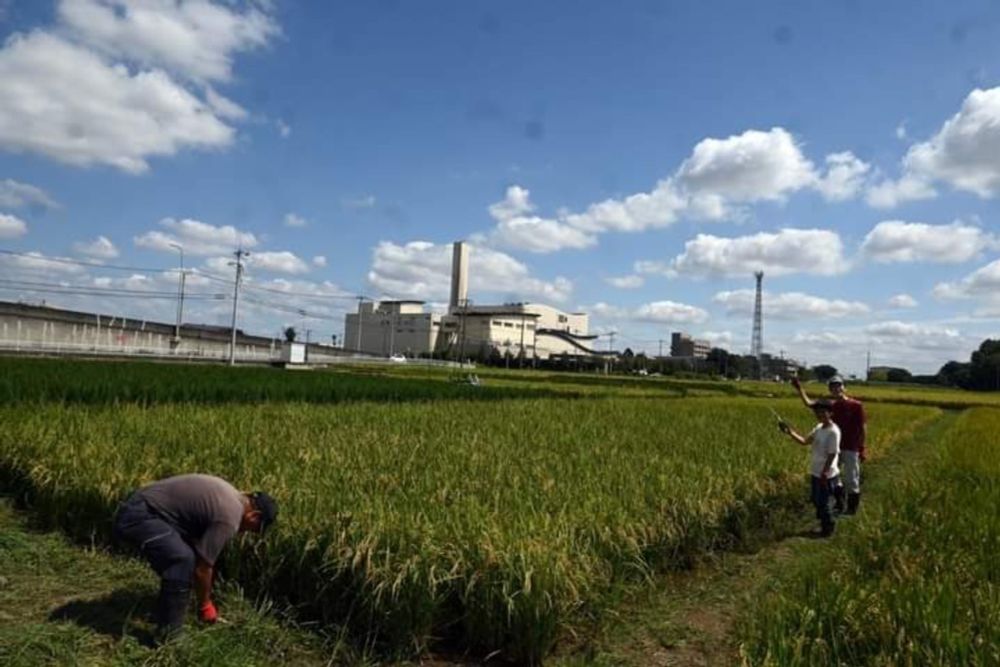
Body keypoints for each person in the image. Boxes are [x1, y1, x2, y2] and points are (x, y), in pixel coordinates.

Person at [112, 474, 278, 640]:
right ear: (254, 516)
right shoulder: (230, 517)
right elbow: (202, 568)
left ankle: (165, 611)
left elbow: (201, 552)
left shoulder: (230, 495)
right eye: (253, 529)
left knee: (184, 557)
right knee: (181, 559)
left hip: (141, 507)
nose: (245, 532)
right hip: (138, 516)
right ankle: (170, 636)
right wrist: (205, 606)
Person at [791, 374, 867, 515]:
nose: (836, 389)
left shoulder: (856, 405)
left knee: (851, 478)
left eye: (838, 385)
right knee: (835, 478)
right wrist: (799, 388)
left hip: (851, 447)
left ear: (844, 387)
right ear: (830, 390)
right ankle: (839, 503)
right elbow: (810, 404)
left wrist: (862, 448)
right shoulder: (830, 407)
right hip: (834, 448)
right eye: (832, 386)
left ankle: (851, 509)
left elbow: (862, 428)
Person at [778, 399, 841, 537]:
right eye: (817, 412)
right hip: (815, 471)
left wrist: (824, 473)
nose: (820, 415)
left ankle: (827, 529)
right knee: (816, 499)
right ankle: (826, 521)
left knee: (823, 502)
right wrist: (789, 432)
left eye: (823, 412)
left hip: (827, 474)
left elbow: (832, 454)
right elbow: (805, 441)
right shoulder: (819, 428)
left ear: (830, 413)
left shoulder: (833, 432)